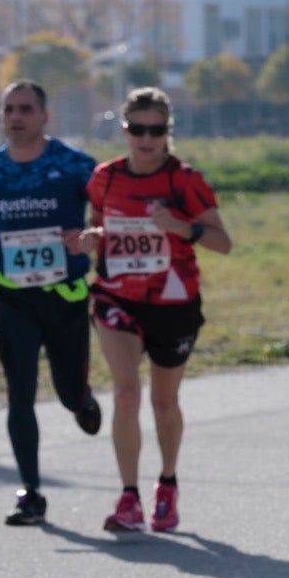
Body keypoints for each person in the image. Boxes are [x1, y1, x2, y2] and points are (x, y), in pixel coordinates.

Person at [0, 80, 102, 526]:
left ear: (44, 116)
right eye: (9, 109)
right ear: (1, 116)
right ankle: (31, 492)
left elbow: (105, 212)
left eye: (26, 109)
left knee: (69, 391)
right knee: (20, 395)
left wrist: (90, 238)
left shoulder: (74, 165)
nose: (17, 117)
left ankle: (82, 401)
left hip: (66, 296)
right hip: (14, 297)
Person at [77, 88, 232, 534]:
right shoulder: (105, 178)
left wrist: (181, 226)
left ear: (168, 132)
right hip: (116, 297)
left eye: (157, 129)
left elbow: (223, 243)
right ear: (124, 130)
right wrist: (94, 237)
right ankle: (128, 498)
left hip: (174, 303)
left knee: (164, 402)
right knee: (126, 394)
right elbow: (99, 224)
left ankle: (167, 484)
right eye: (138, 129)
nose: (147, 138)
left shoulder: (184, 180)